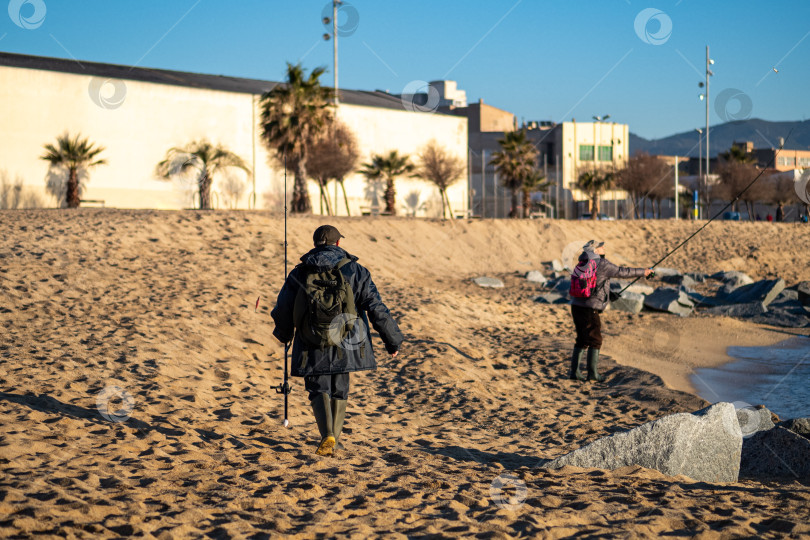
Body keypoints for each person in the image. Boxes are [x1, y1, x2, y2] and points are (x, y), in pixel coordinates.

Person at [271, 225, 403, 456]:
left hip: (311, 340)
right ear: (338, 244)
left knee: (317, 388)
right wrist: (392, 341)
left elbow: (283, 308)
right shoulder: (356, 270)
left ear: (315, 245)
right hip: (347, 340)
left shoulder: (300, 272)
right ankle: (336, 440)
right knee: (340, 387)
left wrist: (284, 335)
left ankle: (327, 435)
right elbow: (376, 307)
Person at [569, 241, 653, 382]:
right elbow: (623, 272)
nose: (604, 248)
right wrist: (644, 272)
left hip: (576, 305)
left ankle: (575, 372)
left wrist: (609, 294)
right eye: (600, 247)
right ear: (595, 251)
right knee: (596, 339)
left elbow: (595, 283)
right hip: (590, 308)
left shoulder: (582, 262)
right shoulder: (602, 263)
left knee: (582, 338)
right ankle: (592, 374)